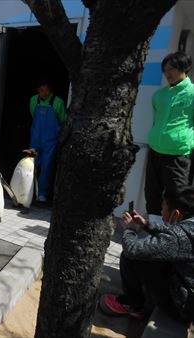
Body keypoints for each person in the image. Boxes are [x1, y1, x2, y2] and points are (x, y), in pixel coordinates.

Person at [100, 186, 194, 322]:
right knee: (154, 257)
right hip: (188, 295)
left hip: (182, 307)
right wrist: (145, 224)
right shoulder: (190, 225)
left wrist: (130, 229)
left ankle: (133, 305)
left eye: (163, 206)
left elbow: (132, 249)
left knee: (133, 258)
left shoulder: (177, 237)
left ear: (176, 214)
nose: (161, 210)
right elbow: (174, 233)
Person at [145, 51, 194, 224]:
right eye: (165, 69)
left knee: (179, 196)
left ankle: (180, 237)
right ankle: (154, 230)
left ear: (184, 68)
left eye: (172, 68)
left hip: (178, 153)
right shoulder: (159, 95)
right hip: (155, 150)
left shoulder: (192, 94)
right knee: (152, 192)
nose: (168, 73)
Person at [29, 79, 66, 202]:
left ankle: (42, 193)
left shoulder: (58, 102)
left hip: (50, 141)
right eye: (40, 90)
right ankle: (28, 191)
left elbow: (62, 120)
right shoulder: (34, 100)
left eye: (46, 90)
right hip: (35, 139)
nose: (43, 93)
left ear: (50, 90)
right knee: (30, 165)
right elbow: (32, 114)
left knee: (47, 166)